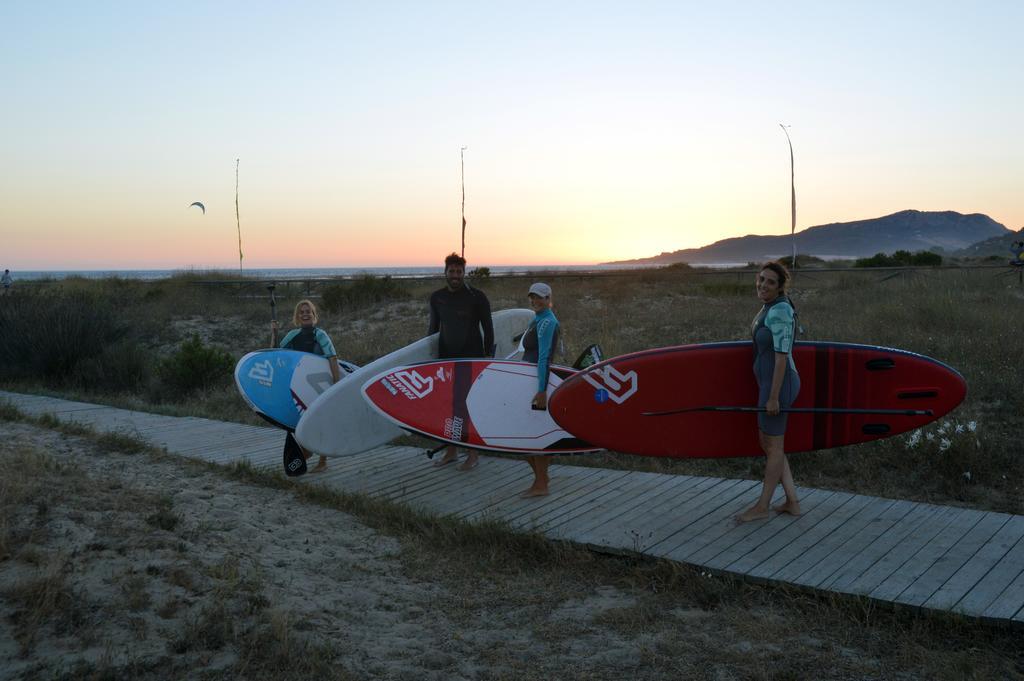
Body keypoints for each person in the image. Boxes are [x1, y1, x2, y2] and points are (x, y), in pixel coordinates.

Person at [736, 261, 802, 522]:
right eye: (761, 279)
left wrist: (774, 396)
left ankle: (762, 507)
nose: (763, 285)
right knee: (769, 443)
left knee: (773, 445)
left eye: (770, 282)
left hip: (780, 385)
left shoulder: (781, 311)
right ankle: (792, 502)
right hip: (769, 384)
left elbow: (782, 357)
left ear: (780, 287)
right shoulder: (769, 307)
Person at [428, 252, 494, 471]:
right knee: (448, 405)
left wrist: (487, 357)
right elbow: (432, 330)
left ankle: (472, 454)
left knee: (468, 405)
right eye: (451, 271)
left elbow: (489, 328)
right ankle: (452, 450)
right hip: (446, 359)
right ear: (445, 272)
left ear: (464, 273)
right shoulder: (437, 297)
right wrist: (430, 361)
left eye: (459, 271)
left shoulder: (477, 297)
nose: (455, 275)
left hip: (470, 357)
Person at [271, 299, 340, 473]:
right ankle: (307, 450)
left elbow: (332, 357)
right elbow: (274, 354)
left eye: (308, 311)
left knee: (322, 421)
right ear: (297, 317)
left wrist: (337, 383)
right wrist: (274, 332)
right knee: (304, 420)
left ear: (314, 315)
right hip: (300, 386)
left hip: (319, 384)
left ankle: (322, 460)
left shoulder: (321, 334)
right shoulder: (293, 335)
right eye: (301, 312)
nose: (305, 314)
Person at [520, 282, 559, 497]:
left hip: (537, 385)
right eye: (532, 297)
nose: (535, 301)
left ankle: (541, 484)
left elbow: (544, 357)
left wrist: (542, 390)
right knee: (527, 433)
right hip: (530, 382)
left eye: (540, 297)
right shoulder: (538, 319)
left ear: (548, 299)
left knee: (534, 434)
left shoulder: (547, 322)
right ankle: (542, 479)